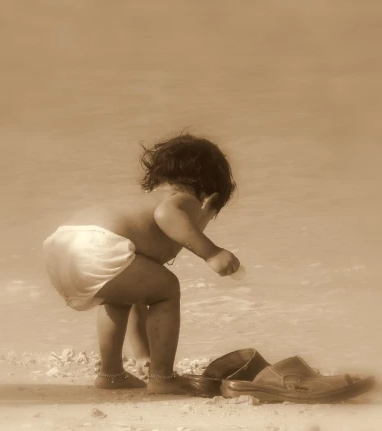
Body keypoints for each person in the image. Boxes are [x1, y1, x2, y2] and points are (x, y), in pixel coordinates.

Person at [43, 133, 240, 394]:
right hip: (100, 243)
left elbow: (138, 299)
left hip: (63, 245)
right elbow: (166, 214)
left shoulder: (143, 204)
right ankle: (163, 378)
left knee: (116, 298)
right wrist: (211, 253)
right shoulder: (184, 198)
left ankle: (111, 374)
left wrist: (142, 353)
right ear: (210, 199)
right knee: (168, 289)